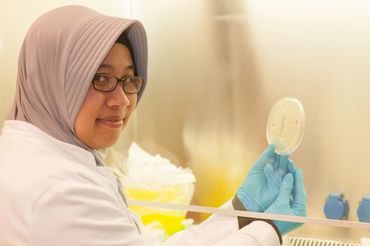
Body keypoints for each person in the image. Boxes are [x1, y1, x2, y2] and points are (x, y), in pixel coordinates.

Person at [0, 5, 306, 245]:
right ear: (53, 82)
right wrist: (269, 230)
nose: (121, 99)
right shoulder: (59, 191)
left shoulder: (30, 156)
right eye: (101, 78)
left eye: (129, 79)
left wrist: (241, 210)